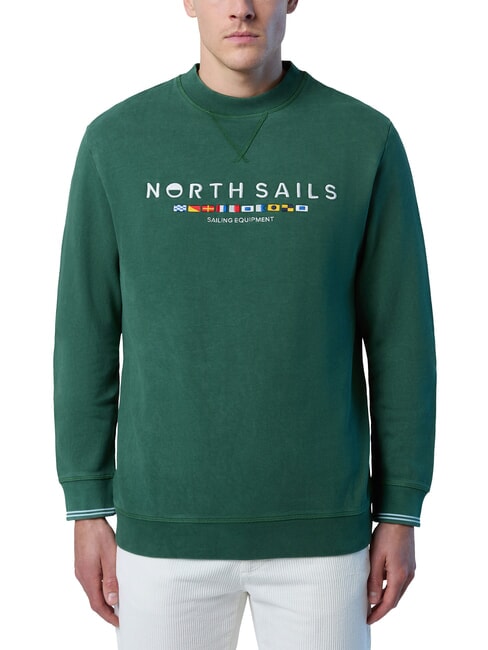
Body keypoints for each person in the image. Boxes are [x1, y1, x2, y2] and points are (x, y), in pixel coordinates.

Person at [53, 1, 436, 648]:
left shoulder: (362, 138)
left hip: (322, 532)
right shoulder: (117, 141)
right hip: (163, 530)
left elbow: (402, 336)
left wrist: (400, 508)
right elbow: (84, 330)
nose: (241, 7)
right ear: (188, 1)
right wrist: (86, 503)